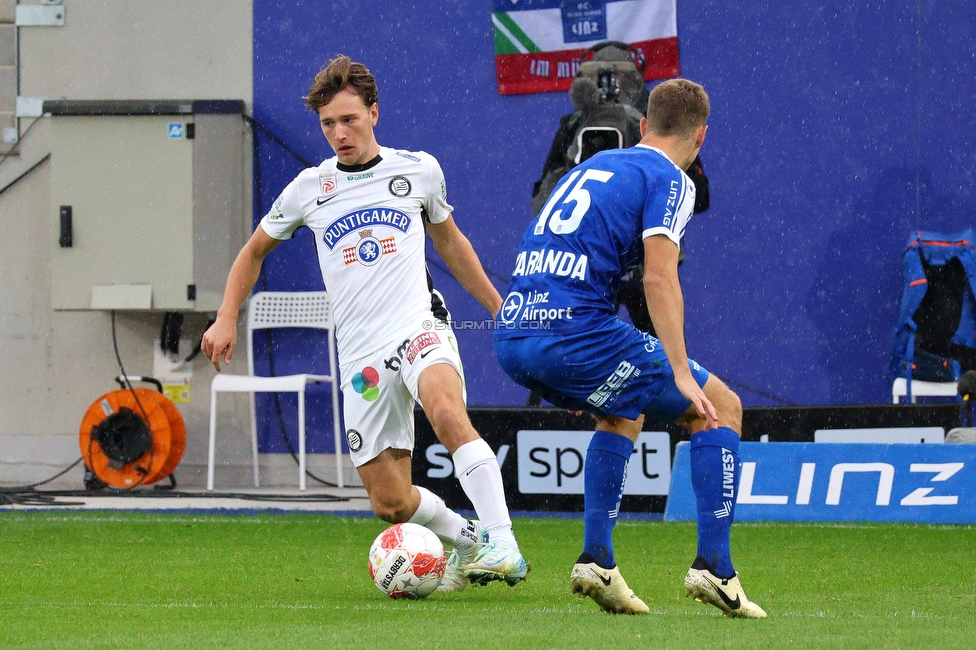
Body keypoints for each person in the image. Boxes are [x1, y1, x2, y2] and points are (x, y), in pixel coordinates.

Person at [202, 55, 527, 590]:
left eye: (349, 119)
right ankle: (471, 539)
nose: (339, 133)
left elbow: (451, 242)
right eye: (328, 123)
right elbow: (253, 252)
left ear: (374, 113)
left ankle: (504, 541)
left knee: (446, 411)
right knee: (390, 502)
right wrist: (225, 318)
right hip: (360, 356)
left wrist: (498, 307)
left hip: (419, 324)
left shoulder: (418, 169)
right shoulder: (310, 188)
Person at [493, 79, 765, 617]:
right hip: (572, 335)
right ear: (701, 136)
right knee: (720, 408)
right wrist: (682, 372)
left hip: (513, 336)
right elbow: (659, 278)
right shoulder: (672, 178)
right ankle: (716, 568)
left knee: (624, 409)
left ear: (644, 126)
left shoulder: (593, 168)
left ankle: (598, 562)